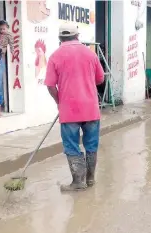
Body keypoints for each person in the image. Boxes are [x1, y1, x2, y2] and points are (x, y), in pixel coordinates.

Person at [45, 23, 105, 192]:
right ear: (77, 36)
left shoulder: (55, 56)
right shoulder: (90, 54)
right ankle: (90, 178)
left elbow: (50, 86)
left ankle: (78, 181)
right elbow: (100, 79)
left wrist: (59, 102)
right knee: (91, 145)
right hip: (91, 109)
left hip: (69, 111)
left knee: (71, 145)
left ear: (60, 39)